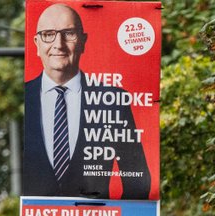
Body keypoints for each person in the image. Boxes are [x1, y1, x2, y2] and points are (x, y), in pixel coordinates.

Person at [23, 3, 151, 198]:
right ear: (36, 43)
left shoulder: (113, 100)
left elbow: (139, 182)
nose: (59, 44)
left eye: (69, 33)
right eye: (48, 34)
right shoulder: (25, 96)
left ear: (83, 41)